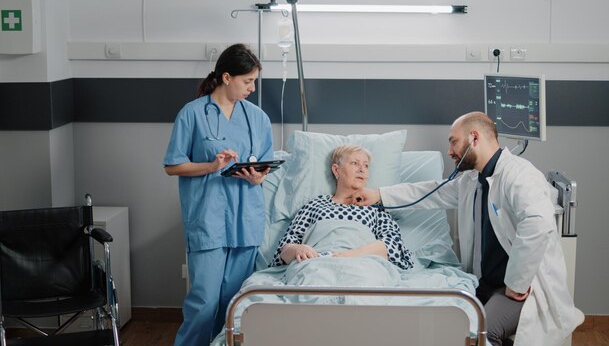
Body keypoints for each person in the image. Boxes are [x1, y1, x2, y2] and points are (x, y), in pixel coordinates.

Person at [354, 112, 583, 346]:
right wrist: (379, 194)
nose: (449, 151)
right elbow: (431, 192)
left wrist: (516, 283)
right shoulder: (473, 179)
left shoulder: (520, 175)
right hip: (485, 283)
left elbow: (538, 223)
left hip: (519, 291)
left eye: (453, 141)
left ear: (474, 138)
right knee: (445, 326)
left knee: (479, 335)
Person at [163, 43, 273, 346]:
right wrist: (212, 165)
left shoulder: (258, 118)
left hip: (245, 220)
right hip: (208, 220)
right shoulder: (193, 114)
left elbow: (263, 166)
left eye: (254, 81)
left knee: (232, 305)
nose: (252, 88)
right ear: (227, 77)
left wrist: (257, 177)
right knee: (204, 302)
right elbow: (172, 166)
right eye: (247, 81)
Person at [270, 144, 414, 270]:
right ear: (336, 170)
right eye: (355, 163)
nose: (362, 169)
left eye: (366, 165)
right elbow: (285, 248)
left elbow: (392, 245)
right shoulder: (315, 205)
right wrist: (298, 249)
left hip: (363, 265)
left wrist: (352, 255)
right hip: (317, 264)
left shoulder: (376, 208)